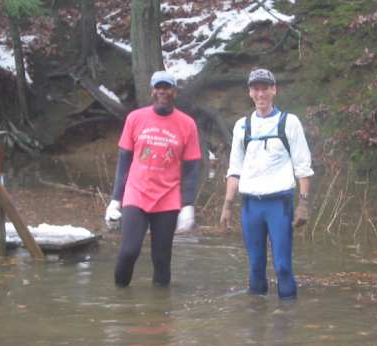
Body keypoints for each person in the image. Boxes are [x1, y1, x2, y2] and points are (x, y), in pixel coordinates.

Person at [220, 68, 313, 299]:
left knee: (282, 266)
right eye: (255, 89)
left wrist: (303, 204)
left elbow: (303, 166)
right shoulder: (242, 126)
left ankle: (288, 319)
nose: (260, 93)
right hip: (251, 206)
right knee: (255, 267)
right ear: (250, 93)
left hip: (279, 205)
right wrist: (227, 205)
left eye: (265, 88)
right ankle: (256, 324)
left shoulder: (289, 122)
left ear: (274, 90)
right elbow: (235, 169)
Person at [105, 70, 201, 287]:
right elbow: (124, 161)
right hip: (136, 193)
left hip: (168, 198)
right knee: (129, 252)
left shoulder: (187, 124)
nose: (162, 92)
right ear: (152, 91)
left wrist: (187, 205)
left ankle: (160, 312)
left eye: (167, 87)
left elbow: (192, 168)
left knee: (161, 258)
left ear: (174, 91)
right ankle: (120, 299)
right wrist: (115, 200)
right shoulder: (135, 118)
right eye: (158, 87)